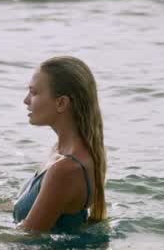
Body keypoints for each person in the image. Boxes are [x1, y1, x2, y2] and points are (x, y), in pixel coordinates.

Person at [13, 56, 108, 233]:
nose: (26, 100)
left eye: (34, 93)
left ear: (61, 103)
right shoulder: (59, 151)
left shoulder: (66, 169)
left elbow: (28, 236)